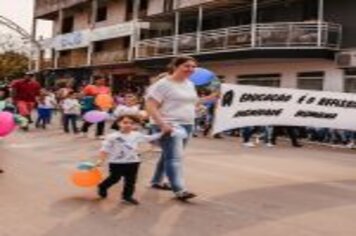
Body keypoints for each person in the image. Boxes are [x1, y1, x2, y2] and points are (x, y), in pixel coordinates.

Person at [145, 56, 199, 201]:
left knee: (168, 155)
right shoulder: (163, 84)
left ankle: (156, 181)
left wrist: (206, 102)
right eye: (187, 66)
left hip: (187, 124)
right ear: (175, 66)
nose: (191, 69)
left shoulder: (190, 84)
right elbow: (150, 106)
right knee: (175, 157)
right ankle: (179, 189)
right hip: (169, 124)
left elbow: (190, 102)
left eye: (193, 67)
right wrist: (162, 124)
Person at [97, 115, 163, 205]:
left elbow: (149, 137)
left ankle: (127, 197)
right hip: (116, 163)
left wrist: (163, 133)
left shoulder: (137, 135)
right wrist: (101, 160)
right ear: (118, 123)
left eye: (131, 123)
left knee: (131, 181)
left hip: (133, 162)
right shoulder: (112, 136)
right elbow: (105, 149)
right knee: (114, 178)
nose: (128, 125)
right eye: (125, 122)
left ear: (135, 125)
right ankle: (102, 186)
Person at [80, 75, 111, 139]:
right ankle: (84, 130)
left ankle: (99, 134)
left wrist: (110, 104)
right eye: (101, 80)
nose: (102, 81)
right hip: (93, 105)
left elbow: (109, 97)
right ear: (96, 80)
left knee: (102, 119)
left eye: (103, 80)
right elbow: (82, 95)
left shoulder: (106, 88)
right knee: (92, 119)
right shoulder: (90, 87)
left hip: (103, 105)